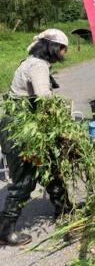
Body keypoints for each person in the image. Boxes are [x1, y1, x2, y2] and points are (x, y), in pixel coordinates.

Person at [0, 29, 71, 246]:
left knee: (50, 166)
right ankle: (6, 230)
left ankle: (64, 208)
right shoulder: (38, 66)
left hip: (27, 127)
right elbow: (45, 99)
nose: (64, 53)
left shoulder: (31, 62)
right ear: (53, 47)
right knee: (25, 181)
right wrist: (64, 127)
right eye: (63, 49)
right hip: (21, 131)